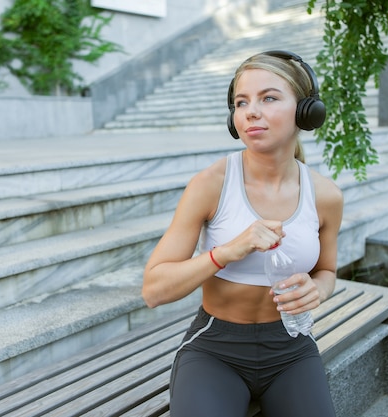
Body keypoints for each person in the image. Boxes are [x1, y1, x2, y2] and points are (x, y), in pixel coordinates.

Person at [142, 50, 343, 417]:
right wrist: (228, 251)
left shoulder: (326, 195)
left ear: (305, 111)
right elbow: (153, 290)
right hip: (215, 349)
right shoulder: (210, 184)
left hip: (292, 348)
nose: (251, 111)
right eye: (241, 102)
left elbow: (327, 271)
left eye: (268, 98)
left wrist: (319, 290)